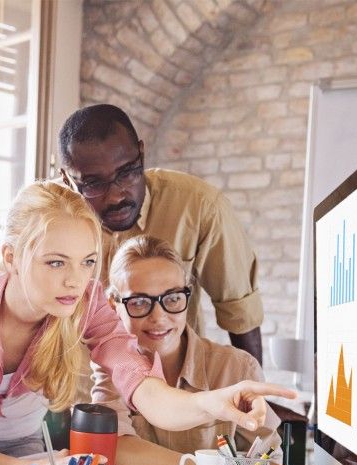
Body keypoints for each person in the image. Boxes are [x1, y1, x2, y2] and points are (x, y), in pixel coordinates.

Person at [0, 181, 295, 465]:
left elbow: (144, 389)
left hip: (18, 437)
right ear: (11, 257)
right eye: (56, 262)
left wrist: (211, 404)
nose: (75, 280)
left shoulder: (86, 301)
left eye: (87, 262)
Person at [59, 104, 265, 363]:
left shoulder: (199, 206)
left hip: (172, 382)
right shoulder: (47, 216)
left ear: (141, 154)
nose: (115, 196)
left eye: (126, 172)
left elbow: (240, 314)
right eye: (93, 183)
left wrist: (254, 385)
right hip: (78, 380)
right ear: (66, 179)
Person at [94, 235, 295, 465]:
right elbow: (111, 446)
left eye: (173, 298)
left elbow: (267, 461)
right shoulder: (109, 366)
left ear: (187, 295)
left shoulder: (236, 368)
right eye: (139, 302)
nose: (159, 317)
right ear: (113, 305)